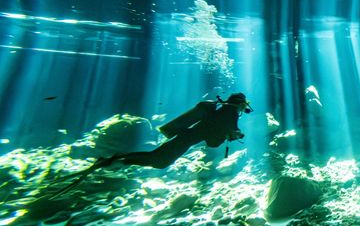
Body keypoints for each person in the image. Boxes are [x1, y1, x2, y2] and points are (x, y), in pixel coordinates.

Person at [47, 93, 252, 199]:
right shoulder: (230, 116)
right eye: (244, 107)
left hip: (184, 137)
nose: (244, 110)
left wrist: (227, 133)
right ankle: (116, 159)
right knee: (159, 160)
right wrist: (231, 135)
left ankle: (117, 159)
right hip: (185, 140)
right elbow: (212, 142)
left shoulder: (222, 111)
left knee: (158, 159)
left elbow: (210, 133)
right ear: (241, 105)